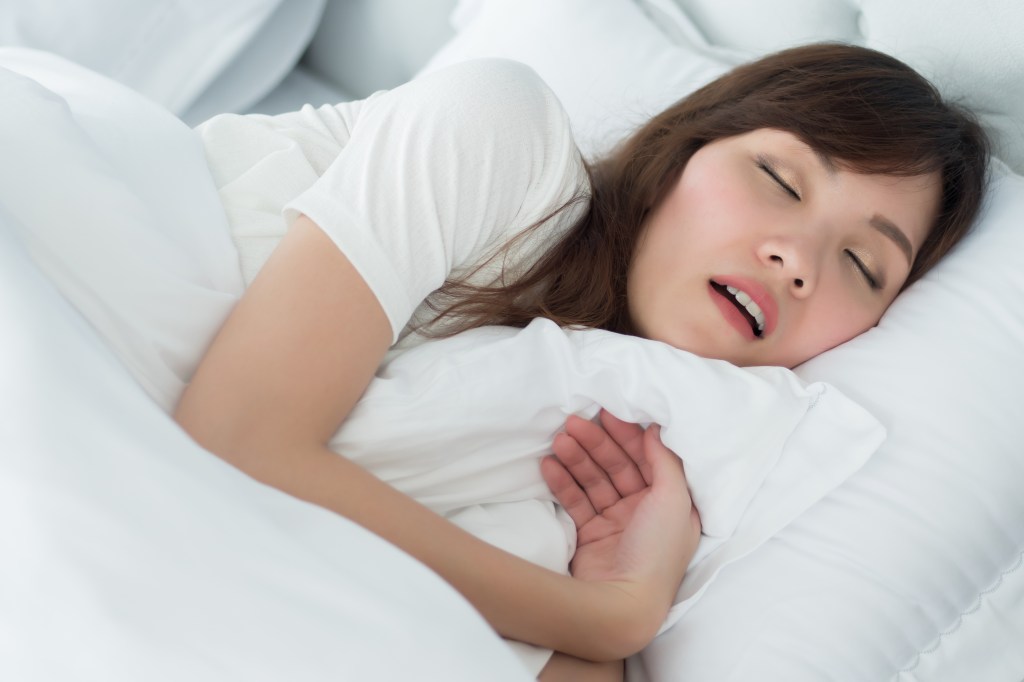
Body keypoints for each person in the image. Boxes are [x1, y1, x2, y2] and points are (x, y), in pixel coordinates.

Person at [174, 43, 988, 681]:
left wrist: (608, 621)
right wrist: (609, 618)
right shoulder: (502, 132)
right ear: (681, 154)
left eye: (862, 265)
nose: (799, 258)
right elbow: (232, 439)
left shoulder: (615, 458)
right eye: (780, 177)